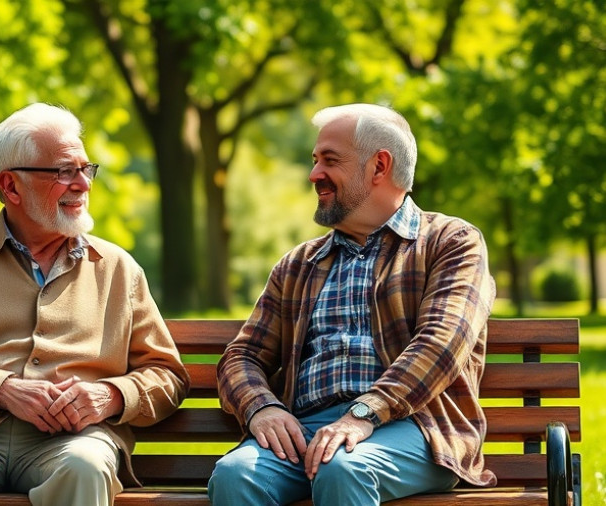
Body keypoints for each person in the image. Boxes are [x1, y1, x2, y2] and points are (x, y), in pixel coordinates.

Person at [0, 102, 190, 506]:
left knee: (85, 464)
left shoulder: (118, 268)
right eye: (64, 171)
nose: (82, 184)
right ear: (11, 186)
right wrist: (2, 389)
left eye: (86, 169)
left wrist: (110, 396)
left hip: (71, 440)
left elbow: (167, 375)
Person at [207, 103, 497, 505]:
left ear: (379, 167)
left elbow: (442, 343)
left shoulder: (450, 242)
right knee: (235, 475)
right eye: (314, 161)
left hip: (417, 427)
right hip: (309, 429)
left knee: (344, 466)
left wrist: (363, 413)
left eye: (330, 160)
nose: (314, 175)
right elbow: (241, 356)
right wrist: (261, 409)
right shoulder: (298, 264)